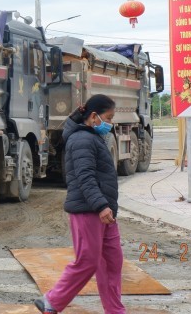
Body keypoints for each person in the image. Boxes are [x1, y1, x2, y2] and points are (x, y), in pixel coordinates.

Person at [35, 94, 124, 314]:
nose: (110, 124)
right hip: (89, 211)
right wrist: (101, 206)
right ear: (94, 117)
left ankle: (115, 311)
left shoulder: (92, 137)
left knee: (112, 261)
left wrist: (106, 207)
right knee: (88, 261)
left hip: (104, 211)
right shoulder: (82, 140)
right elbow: (85, 177)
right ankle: (52, 301)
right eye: (108, 118)